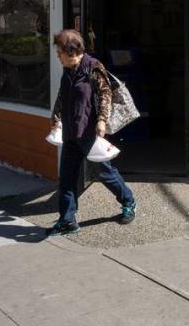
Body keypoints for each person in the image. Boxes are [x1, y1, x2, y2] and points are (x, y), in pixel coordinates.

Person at [48, 29, 136, 236]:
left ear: (70, 51)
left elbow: (105, 94)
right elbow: (62, 95)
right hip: (70, 132)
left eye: (59, 52)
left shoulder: (93, 67)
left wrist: (102, 121)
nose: (57, 56)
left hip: (89, 132)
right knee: (67, 178)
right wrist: (55, 118)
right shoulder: (68, 69)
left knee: (105, 173)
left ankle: (128, 201)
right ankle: (67, 220)